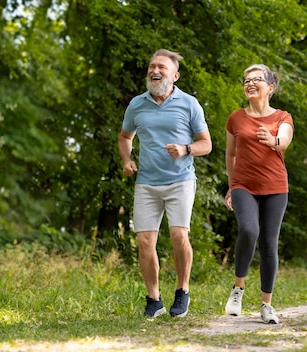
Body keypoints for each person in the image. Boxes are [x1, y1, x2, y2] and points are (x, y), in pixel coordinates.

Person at [118, 49, 212, 318]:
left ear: (175, 75)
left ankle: (182, 291)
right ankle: (154, 300)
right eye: (151, 66)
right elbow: (125, 137)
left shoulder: (189, 104)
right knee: (145, 240)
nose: (154, 71)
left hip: (180, 180)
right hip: (147, 181)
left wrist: (185, 149)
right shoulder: (137, 104)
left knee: (178, 235)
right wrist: (127, 160)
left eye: (161, 67)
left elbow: (206, 144)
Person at [223, 64, 294, 324]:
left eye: (256, 79)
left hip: (275, 187)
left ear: (270, 87)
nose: (250, 83)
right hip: (243, 185)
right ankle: (238, 289)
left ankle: (266, 305)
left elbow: (284, 140)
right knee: (249, 230)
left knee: (269, 243)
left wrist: (273, 140)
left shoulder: (282, 117)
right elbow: (230, 154)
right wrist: (231, 186)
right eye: (246, 80)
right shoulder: (235, 118)